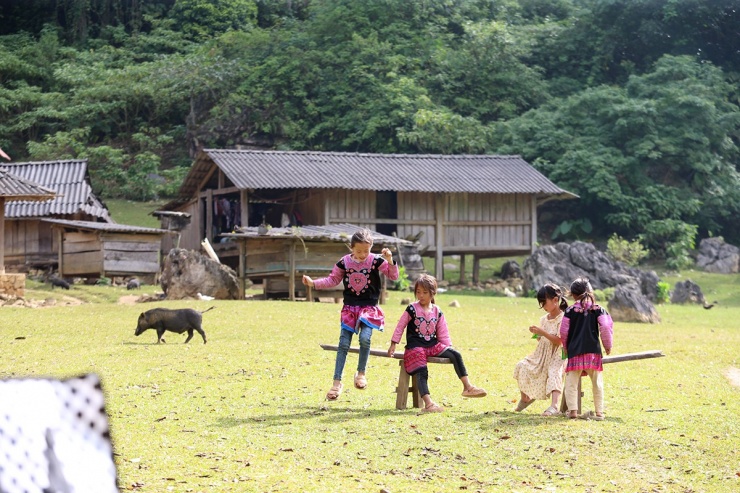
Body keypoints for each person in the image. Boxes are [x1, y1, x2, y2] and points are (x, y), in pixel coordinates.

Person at [303, 229, 399, 401]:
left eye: (366, 251)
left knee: (365, 338)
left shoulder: (376, 261)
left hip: (369, 308)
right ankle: (336, 382)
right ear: (351, 248)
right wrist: (313, 283)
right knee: (344, 343)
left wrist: (390, 260)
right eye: (359, 251)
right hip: (350, 308)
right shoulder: (344, 263)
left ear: (371, 248)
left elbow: (393, 276)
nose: (363, 255)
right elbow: (332, 280)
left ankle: (361, 373)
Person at [387, 274, 486, 413]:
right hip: (415, 347)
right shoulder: (411, 309)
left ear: (433, 293)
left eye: (425, 292)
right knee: (421, 368)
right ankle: (428, 404)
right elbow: (400, 326)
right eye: (418, 292)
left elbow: (443, 332)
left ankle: (468, 387)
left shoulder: (437, 311)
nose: (421, 295)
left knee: (455, 354)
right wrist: (393, 343)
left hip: (432, 345)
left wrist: (447, 348)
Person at [560, 277, 613, 420]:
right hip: (593, 353)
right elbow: (606, 327)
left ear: (573, 294)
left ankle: (572, 411)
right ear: (590, 291)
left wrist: (565, 347)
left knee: (571, 383)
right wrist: (607, 345)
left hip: (575, 352)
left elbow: (564, 331)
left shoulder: (570, 311)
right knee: (597, 383)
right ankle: (599, 412)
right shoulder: (598, 309)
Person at [513, 283, 568, 416]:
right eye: (541, 303)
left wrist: (542, 332)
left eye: (544, 303)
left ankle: (554, 406)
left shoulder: (564, 318)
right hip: (542, 354)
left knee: (554, 371)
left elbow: (559, 341)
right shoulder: (544, 319)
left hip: (559, 354)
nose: (543, 306)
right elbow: (541, 340)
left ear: (555, 300)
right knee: (522, 365)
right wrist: (536, 333)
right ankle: (526, 398)